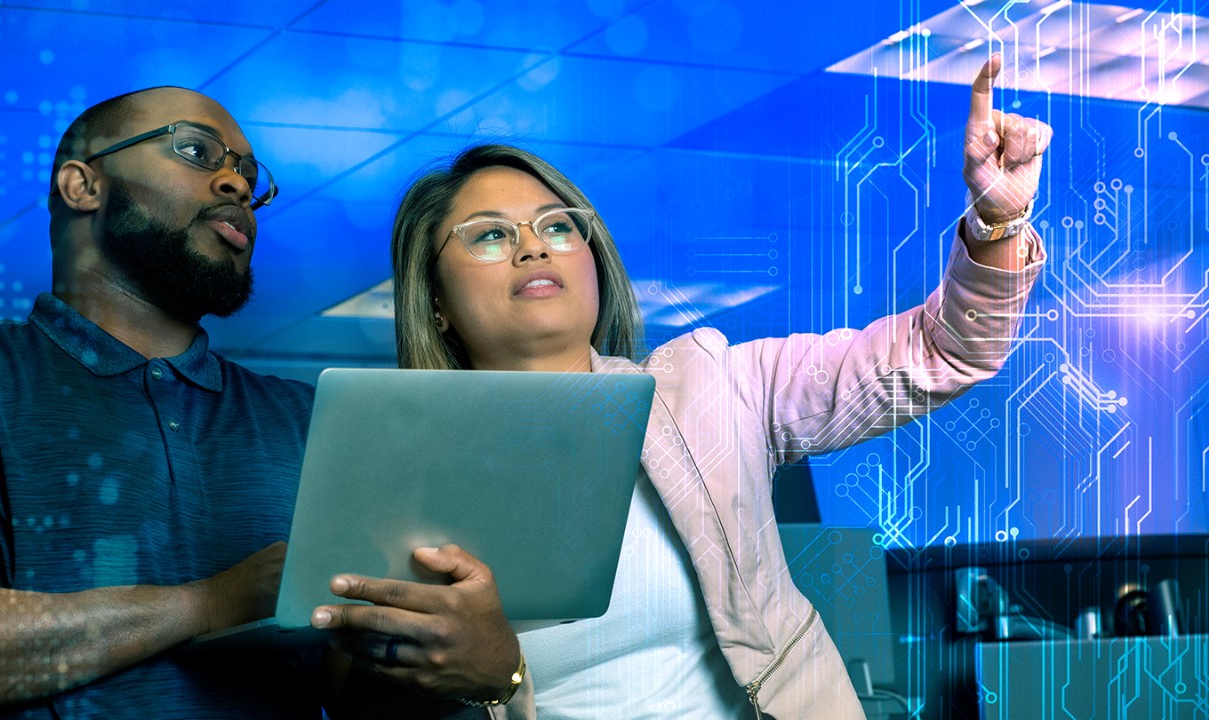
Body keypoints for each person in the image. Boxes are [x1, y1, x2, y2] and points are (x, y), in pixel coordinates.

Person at [373, 55, 1049, 719]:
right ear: (435, 300)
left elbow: (944, 350)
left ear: (594, 257)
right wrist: (497, 677)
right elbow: (360, 699)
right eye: (490, 234)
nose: (534, 246)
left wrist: (1000, 223)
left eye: (557, 226)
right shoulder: (406, 482)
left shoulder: (709, 389)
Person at [0, 86, 525, 719]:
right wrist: (205, 605)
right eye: (196, 150)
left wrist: (470, 668)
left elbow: (360, 698)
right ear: (83, 185)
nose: (235, 184)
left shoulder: (315, 420)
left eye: (247, 173)